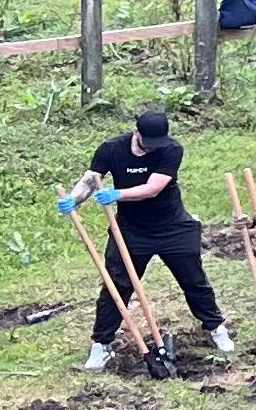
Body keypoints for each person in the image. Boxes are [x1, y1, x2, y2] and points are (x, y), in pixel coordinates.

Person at [66, 107, 233, 371]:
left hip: (173, 227)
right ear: (137, 133)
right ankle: (102, 344)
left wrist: (118, 194)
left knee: (194, 281)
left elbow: (153, 189)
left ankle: (215, 327)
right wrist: (74, 199)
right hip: (131, 231)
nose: (154, 147)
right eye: (149, 142)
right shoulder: (111, 149)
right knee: (116, 286)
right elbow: (91, 179)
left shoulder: (171, 149)